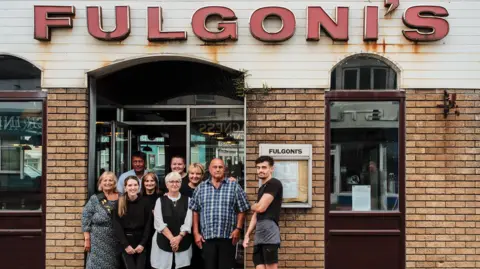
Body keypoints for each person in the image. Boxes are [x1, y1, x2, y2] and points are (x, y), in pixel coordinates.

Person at [189, 158, 250, 269]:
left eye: (220, 167)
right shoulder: (200, 188)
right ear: (209, 169)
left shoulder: (234, 186)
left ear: (225, 169)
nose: (217, 169)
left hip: (228, 237)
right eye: (215, 167)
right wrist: (196, 233)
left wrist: (238, 229)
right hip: (207, 238)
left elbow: (242, 209)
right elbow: (195, 211)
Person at [243, 156, 283, 269]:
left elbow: (260, 208)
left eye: (264, 167)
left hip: (270, 231)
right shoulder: (262, 188)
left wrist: (253, 206)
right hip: (259, 232)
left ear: (271, 169)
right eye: (258, 167)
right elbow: (256, 214)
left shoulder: (274, 184)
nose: (260, 170)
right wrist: (247, 235)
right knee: (259, 266)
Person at [151, 172, 193, 269]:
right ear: (166, 184)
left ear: (181, 183)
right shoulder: (160, 201)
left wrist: (179, 238)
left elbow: (188, 222)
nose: (175, 184)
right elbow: (159, 223)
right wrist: (173, 240)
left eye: (177, 181)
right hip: (163, 241)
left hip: (183, 241)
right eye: (171, 182)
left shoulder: (188, 200)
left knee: (182, 266)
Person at [82, 171, 121, 269]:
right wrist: (87, 239)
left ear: (114, 183)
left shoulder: (121, 197)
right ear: (100, 183)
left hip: (116, 239)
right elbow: (85, 218)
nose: (108, 183)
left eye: (110, 180)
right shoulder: (95, 199)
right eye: (105, 180)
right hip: (97, 240)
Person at [113, 176, 153, 269]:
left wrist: (142, 244)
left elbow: (148, 224)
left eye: (135, 185)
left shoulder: (145, 202)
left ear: (139, 187)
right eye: (130, 185)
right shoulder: (119, 203)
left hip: (141, 242)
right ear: (125, 187)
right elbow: (117, 226)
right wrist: (126, 245)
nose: (133, 187)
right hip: (126, 243)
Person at [141, 172, 162, 269]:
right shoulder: (138, 197)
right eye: (147, 181)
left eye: (152, 181)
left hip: (157, 231)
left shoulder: (162, 197)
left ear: (156, 183)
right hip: (142, 232)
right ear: (143, 183)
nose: (149, 183)